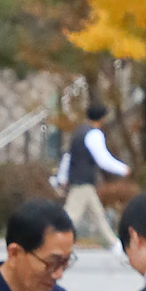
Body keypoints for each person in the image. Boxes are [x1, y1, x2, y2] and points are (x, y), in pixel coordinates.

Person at [53, 101, 131, 252]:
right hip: (83, 180)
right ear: (102, 118)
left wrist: (62, 177)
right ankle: (53, 241)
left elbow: (68, 156)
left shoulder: (78, 132)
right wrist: (122, 169)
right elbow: (102, 159)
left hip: (78, 179)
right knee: (71, 216)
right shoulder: (94, 134)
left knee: (97, 215)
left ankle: (115, 245)